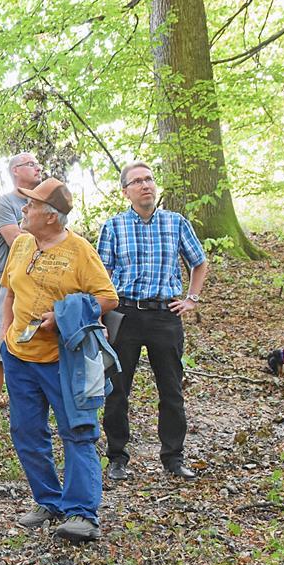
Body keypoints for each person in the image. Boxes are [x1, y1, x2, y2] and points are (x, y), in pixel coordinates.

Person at [0, 177, 118, 542]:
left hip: (63, 359)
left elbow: (107, 298)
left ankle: (82, 513)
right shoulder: (21, 244)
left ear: (51, 217)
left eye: (30, 206)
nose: (24, 210)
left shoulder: (79, 251)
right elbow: (9, 293)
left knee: (77, 431)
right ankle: (48, 500)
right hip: (20, 357)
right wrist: (6, 337)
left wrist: (63, 315)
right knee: (26, 430)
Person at [97, 161, 208, 482]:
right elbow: (100, 276)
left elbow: (198, 263)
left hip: (165, 316)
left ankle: (173, 456)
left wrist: (192, 298)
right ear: (125, 192)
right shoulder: (114, 227)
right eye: (137, 181)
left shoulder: (175, 223)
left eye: (149, 179)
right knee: (117, 390)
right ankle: (117, 457)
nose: (146, 185)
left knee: (171, 389)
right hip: (125, 315)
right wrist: (102, 316)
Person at [0, 152, 45, 439]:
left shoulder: (44, 203)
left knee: (36, 344)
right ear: (15, 171)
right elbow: (17, 239)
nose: (38, 168)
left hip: (42, 283)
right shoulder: (4, 203)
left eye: (38, 164)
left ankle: (28, 414)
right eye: (30, 164)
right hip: (9, 283)